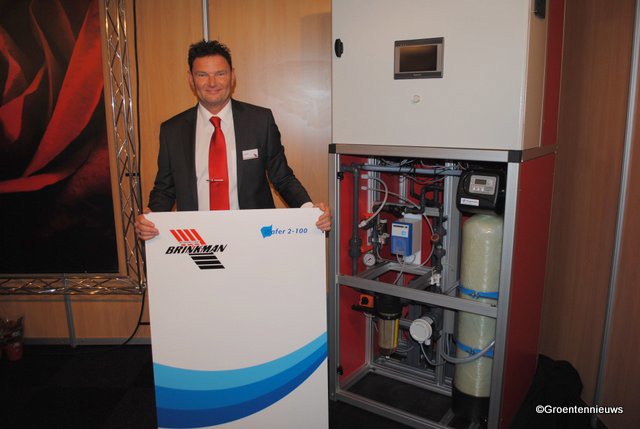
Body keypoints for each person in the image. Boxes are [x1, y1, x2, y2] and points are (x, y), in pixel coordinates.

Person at [135, 40, 331, 240]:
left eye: (220, 74)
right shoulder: (172, 131)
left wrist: (310, 211)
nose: (212, 83)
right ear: (191, 79)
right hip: (197, 241)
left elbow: (282, 178)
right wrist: (151, 219)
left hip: (253, 237)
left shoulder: (259, 121)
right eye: (202, 75)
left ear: (232, 76)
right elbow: (165, 189)